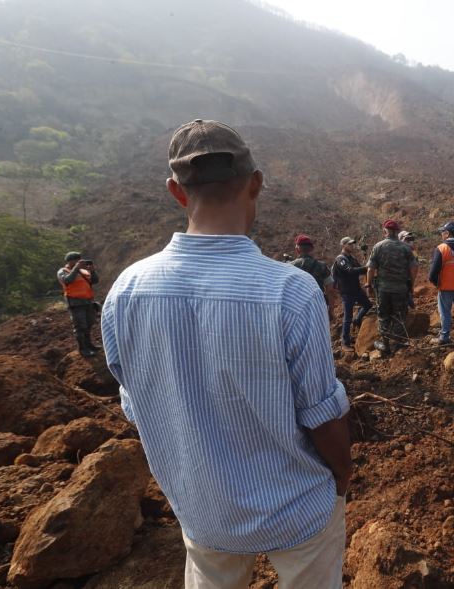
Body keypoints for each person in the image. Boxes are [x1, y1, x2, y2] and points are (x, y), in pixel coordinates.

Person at [101, 119, 351, 589]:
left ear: (176, 191)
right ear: (255, 183)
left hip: (202, 510)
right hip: (296, 508)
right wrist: (343, 475)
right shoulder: (290, 292)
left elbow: (140, 405)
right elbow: (320, 412)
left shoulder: (127, 291)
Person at [365, 220, 418, 353]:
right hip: (401, 288)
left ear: (385, 232)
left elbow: (371, 269)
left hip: (383, 289)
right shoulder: (406, 248)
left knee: (383, 315)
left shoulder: (378, 246)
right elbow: (414, 268)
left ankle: (386, 345)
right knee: (399, 315)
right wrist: (411, 284)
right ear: (397, 232)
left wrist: (368, 285)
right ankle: (399, 343)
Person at [57, 252, 100, 357]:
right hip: (75, 303)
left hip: (88, 301)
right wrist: (76, 269)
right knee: (80, 327)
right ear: (70, 261)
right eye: (76, 260)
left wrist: (93, 271)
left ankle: (89, 345)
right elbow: (67, 280)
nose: (79, 262)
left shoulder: (83, 271)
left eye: (80, 260)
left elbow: (95, 281)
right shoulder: (63, 271)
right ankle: (83, 349)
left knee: (89, 324)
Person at [332, 236, 372, 349]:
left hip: (356, 290)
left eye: (352, 244)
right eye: (349, 244)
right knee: (347, 317)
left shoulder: (352, 258)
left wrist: (369, 267)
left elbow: (361, 269)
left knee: (368, 305)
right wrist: (366, 267)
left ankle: (357, 319)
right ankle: (345, 342)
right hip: (347, 292)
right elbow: (350, 271)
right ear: (343, 245)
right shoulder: (341, 259)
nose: (352, 246)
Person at [291, 234, 336, 315]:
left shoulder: (289, 267)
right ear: (311, 249)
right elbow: (330, 290)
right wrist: (331, 310)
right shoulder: (322, 266)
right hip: (318, 306)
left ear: (297, 250)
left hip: (296, 308)